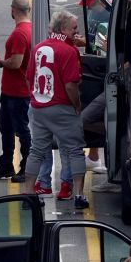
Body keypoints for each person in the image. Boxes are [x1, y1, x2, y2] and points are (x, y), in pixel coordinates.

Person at [23, 11, 89, 209]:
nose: (77, 32)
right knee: (75, 150)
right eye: (74, 28)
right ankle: (78, 194)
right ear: (63, 29)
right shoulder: (69, 51)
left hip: (39, 107)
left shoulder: (39, 48)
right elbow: (71, 85)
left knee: (36, 151)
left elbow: (29, 77)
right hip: (62, 108)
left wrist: (35, 97)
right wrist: (77, 105)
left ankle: (28, 193)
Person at [0, 0, 32, 181]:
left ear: (13, 10)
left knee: (20, 130)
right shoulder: (30, 30)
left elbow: (16, 62)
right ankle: (7, 164)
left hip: (17, 91)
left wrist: (1, 62)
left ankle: (26, 167)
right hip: (16, 90)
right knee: (6, 127)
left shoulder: (19, 34)